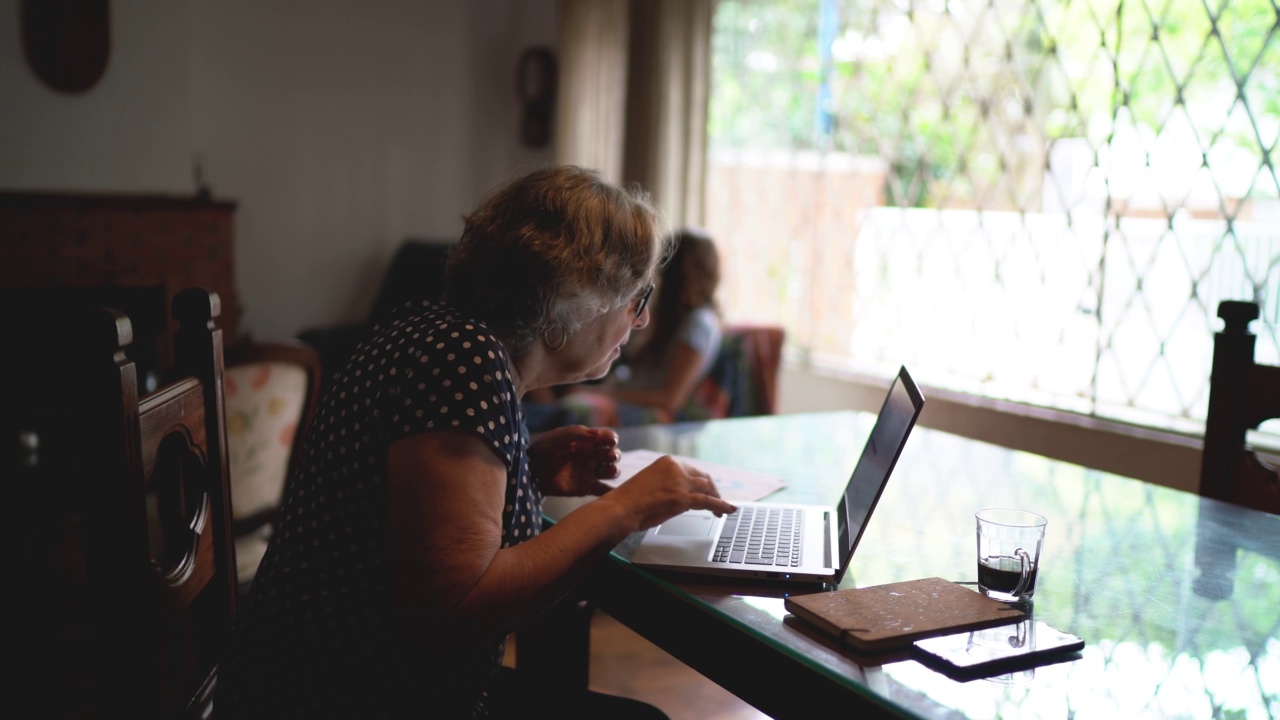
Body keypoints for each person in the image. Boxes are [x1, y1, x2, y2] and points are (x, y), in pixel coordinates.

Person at [219, 166, 737, 718]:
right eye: (636, 297)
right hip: (343, 697)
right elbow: (454, 605)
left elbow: (399, 514)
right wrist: (623, 509)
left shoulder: (440, 334)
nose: (642, 318)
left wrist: (524, 471)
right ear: (578, 299)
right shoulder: (462, 361)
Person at [525, 227, 724, 428]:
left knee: (559, 408)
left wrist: (598, 393)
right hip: (619, 386)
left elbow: (670, 399)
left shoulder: (699, 323)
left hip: (634, 404)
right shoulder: (674, 317)